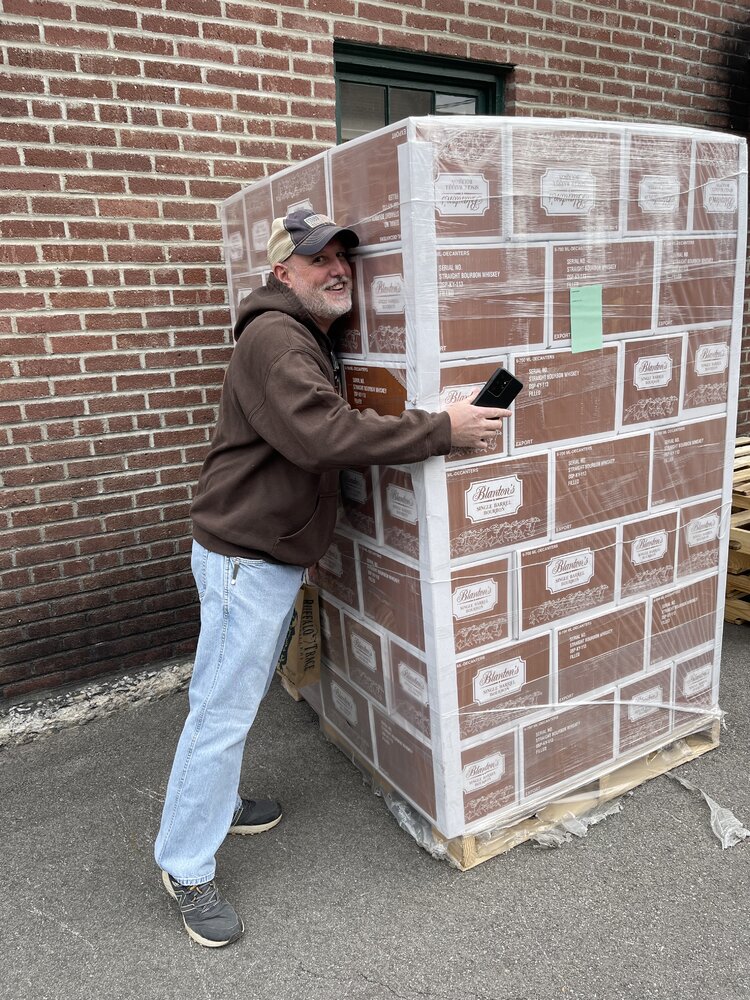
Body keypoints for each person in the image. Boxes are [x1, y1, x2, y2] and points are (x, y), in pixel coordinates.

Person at [154, 209, 508, 947]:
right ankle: (185, 864)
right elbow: (322, 435)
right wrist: (443, 430)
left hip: (260, 553)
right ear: (282, 272)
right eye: (319, 259)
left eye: (343, 256)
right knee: (220, 710)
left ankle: (213, 806)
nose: (338, 268)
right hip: (245, 559)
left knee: (230, 699)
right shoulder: (277, 337)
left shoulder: (301, 335)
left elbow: (318, 430)